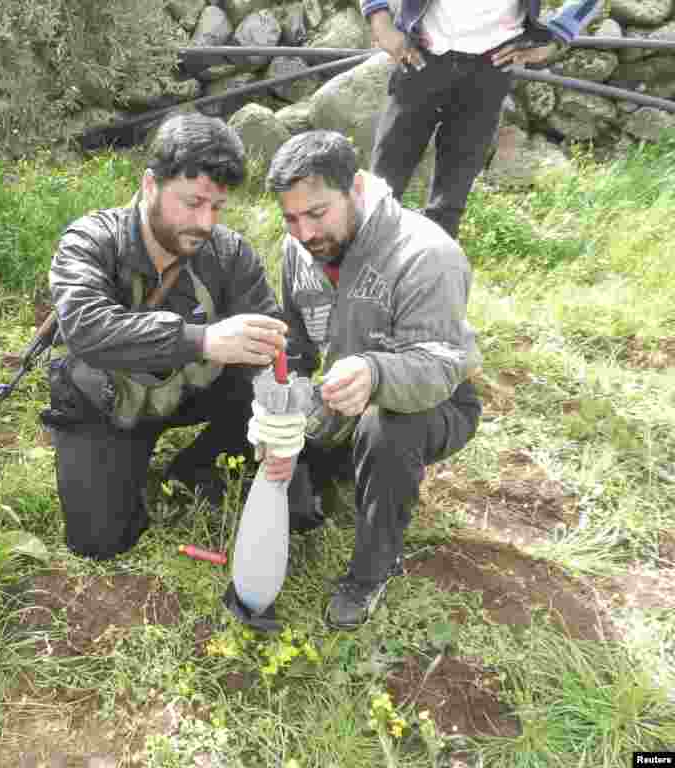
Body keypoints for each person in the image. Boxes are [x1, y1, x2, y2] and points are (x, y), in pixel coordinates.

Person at [41, 112, 306, 561]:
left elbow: (276, 348)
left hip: (189, 391)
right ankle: (129, 464)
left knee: (298, 505)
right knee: (99, 542)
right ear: (150, 186)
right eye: (192, 202)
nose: (205, 222)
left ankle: (193, 468)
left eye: (217, 207)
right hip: (105, 401)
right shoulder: (91, 240)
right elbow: (86, 328)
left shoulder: (229, 252)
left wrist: (280, 422)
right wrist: (202, 340)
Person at [263, 130, 483, 629]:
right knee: (296, 499)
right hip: (344, 395)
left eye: (317, 213)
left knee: (387, 430)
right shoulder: (296, 250)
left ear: (355, 187)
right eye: (290, 218)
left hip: (437, 400)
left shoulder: (428, 254)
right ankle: (335, 473)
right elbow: (295, 345)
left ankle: (373, 569)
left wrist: (376, 371)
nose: (303, 232)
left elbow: (443, 364)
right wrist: (289, 397)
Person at [362, 0, 602, 238]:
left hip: (491, 67)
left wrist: (558, 33)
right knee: (383, 187)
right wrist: (380, 20)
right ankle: (352, 267)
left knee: (449, 203)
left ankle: (434, 271)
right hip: (421, 55)